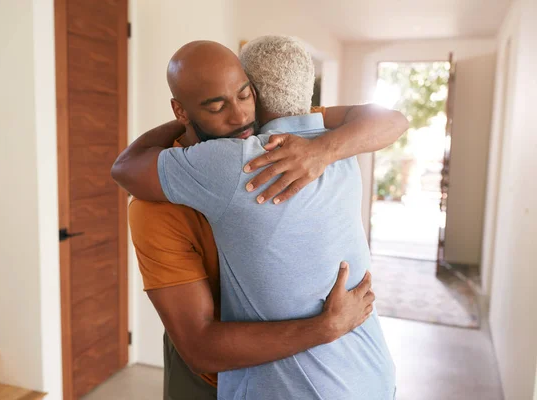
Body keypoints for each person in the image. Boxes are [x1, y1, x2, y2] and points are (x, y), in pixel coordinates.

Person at [112, 36, 407, 399]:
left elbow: (391, 119)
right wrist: (325, 328)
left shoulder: (301, 145)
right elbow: (200, 348)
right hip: (209, 374)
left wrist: (321, 152)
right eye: (215, 105)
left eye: (244, 95)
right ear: (181, 110)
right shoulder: (160, 205)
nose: (239, 117)